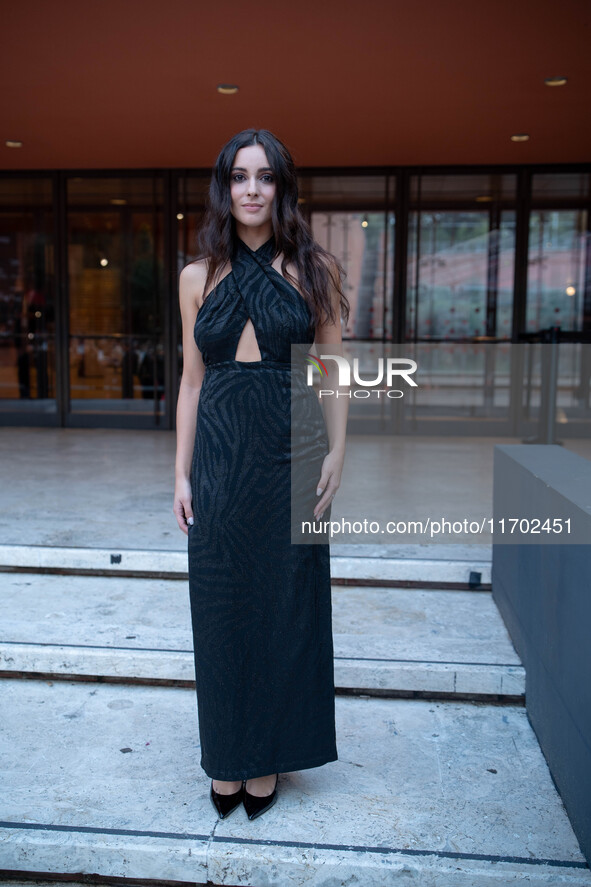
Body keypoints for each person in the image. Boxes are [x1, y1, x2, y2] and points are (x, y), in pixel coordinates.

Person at [173, 128, 350, 821]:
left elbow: (329, 370)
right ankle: (226, 755)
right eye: (240, 176)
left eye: (266, 176)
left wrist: (338, 449)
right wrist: (180, 473)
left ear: (283, 188)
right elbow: (191, 381)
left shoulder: (314, 269)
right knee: (219, 609)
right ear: (225, 187)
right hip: (218, 454)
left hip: (291, 452)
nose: (252, 189)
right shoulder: (194, 276)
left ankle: (270, 751)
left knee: (284, 606)